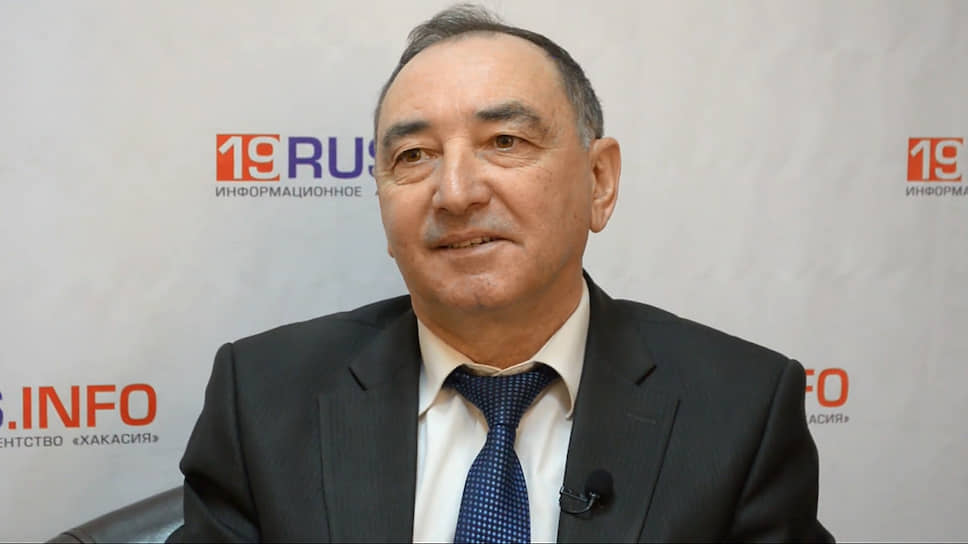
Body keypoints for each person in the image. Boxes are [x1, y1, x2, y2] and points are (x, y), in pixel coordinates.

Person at [170, 4, 833, 542]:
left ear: (599, 181)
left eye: (505, 142)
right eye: (414, 155)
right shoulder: (263, 398)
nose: (455, 193)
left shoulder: (739, 410)